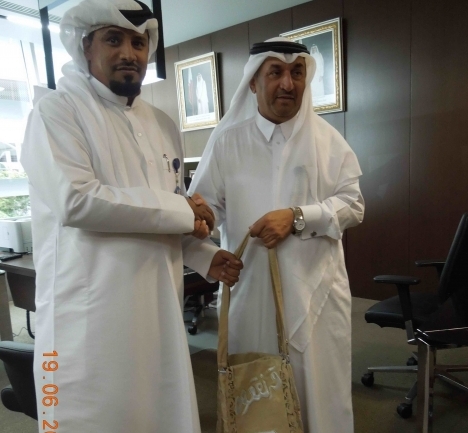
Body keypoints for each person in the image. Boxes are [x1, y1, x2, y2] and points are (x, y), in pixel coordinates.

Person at [20, 1, 242, 432]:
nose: (128, 53)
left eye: (138, 43)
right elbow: (76, 201)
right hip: (89, 320)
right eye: (113, 39)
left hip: (158, 312)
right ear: (86, 47)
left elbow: (165, 209)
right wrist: (183, 210)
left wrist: (203, 255)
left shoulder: (161, 123)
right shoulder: (56, 111)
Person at [189, 37, 364, 433]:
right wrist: (205, 254)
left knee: (321, 397)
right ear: (253, 82)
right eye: (276, 72)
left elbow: (354, 205)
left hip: (317, 294)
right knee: (258, 398)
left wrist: (299, 216)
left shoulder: (328, 141)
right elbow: (202, 215)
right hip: (251, 293)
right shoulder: (227, 143)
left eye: (297, 73)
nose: (288, 83)